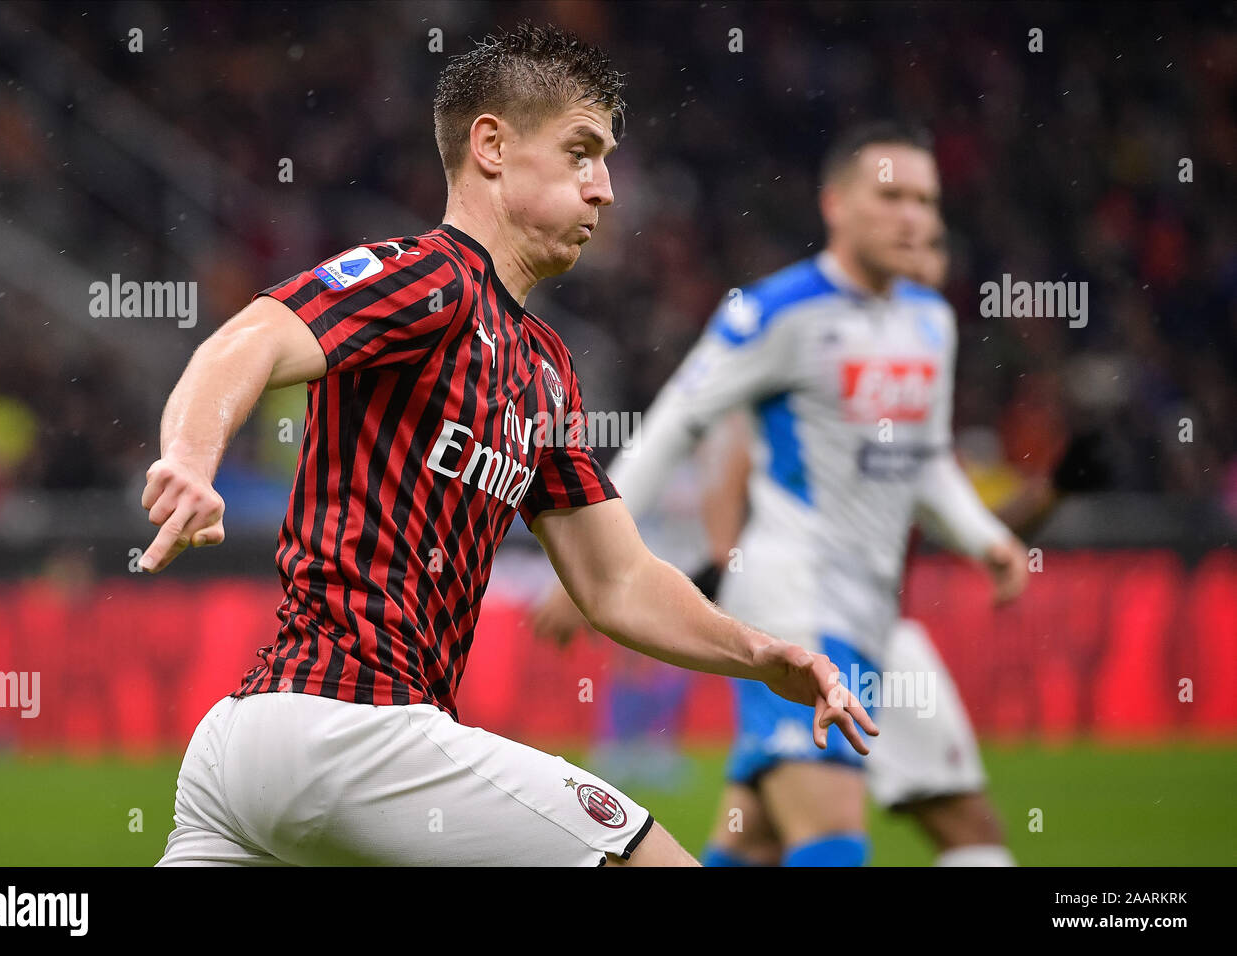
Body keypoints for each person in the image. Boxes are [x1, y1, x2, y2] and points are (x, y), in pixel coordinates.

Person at [142, 23, 873, 867]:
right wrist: (190, 461)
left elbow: (618, 578)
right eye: (580, 152)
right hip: (350, 723)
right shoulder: (429, 276)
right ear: (491, 146)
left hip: (254, 752)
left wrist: (758, 652)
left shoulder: (546, 368)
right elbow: (250, 339)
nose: (604, 190)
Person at [532, 122, 1028, 867]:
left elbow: (925, 461)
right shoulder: (775, 312)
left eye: (925, 200)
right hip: (792, 604)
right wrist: (592, 556)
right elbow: (674, 422)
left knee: (760, 840)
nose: (912, 217)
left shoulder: (929, 322)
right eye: (890, 196)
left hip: (873, 615)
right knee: (833, 837)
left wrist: (983, 535)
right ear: (836, 204)